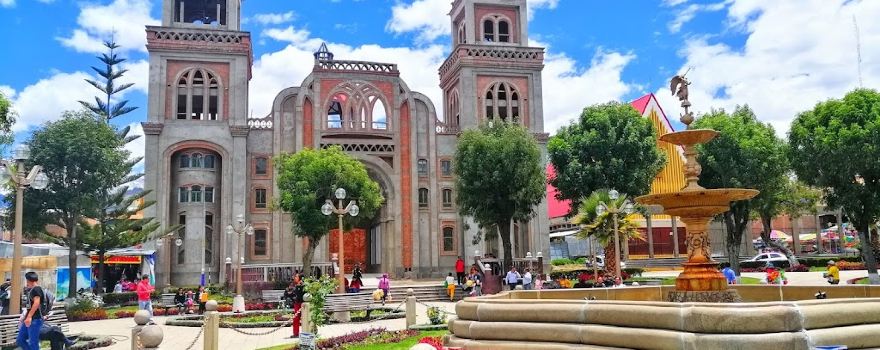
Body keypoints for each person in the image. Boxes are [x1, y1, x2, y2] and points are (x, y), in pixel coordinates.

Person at [17, 272, 45, 350]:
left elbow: (36, 302)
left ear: (28, 280)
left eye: (26, 280)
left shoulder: (37, 289)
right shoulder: (32, 290)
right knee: (20, 340)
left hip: (35, 319)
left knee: (33, 343)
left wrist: (29, 317)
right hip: (28, 320)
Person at [290, 274, 306, 339]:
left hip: (303, 304)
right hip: (297, 304)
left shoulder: (304, 286)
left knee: (305, 319)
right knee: (296, 319)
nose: (294, 278)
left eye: (296, 277)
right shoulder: (296, 285)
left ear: (300, 278)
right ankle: (296, 333)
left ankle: (306, 332)